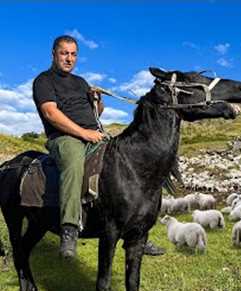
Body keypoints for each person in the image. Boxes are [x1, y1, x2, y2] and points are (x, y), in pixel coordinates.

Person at [33, 35, 165, 258]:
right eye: (64, 53)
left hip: (94, 134)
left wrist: (97, 101)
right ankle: (69, 228)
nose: (69, 58)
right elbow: (50, 113)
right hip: (64, 137)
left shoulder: (81, 82)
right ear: (54, 54)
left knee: (123, 167)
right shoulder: (44, 80)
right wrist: (83, 133)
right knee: (74, 164)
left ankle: (136, 231)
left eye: (73, 54)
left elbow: (95, 114)